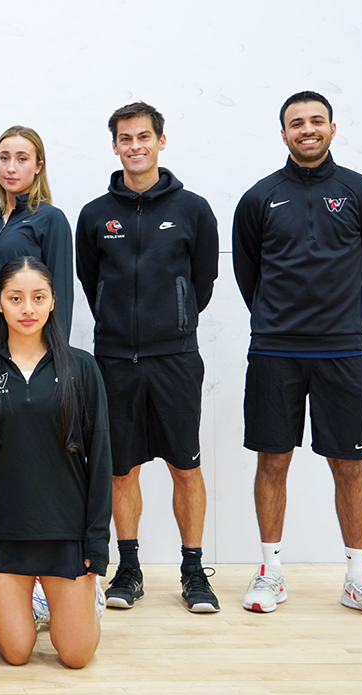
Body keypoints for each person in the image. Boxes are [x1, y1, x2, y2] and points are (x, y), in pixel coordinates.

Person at [232, 91, 362, 620]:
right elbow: (247, 274)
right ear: (282, 134)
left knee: (348, 464)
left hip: (343, 350)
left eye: (315, 121)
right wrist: (277, 321)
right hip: (275, 350)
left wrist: (346, 321)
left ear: (332, 128)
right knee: (273, 460)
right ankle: (271, 573)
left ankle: (357, 577)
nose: (307, 129)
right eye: (295, 123)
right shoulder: (259, 198)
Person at [74, 102, 220, 613]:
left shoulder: (193, 209)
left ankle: (194, 571)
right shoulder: (95, 215)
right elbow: (92, 284)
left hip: (176, 357)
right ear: (114, 146)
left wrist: (173, 320)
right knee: (121, 471)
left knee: (185, 466)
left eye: (144, 136)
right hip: (114, 360)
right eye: (125, 138)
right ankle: (128, 569)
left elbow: (202, 282)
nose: (135, 146)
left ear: (161, 140)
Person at [0, 256, 111, 668]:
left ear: (52, 303)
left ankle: (82, 598)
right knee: (16, 653)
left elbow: (100, 460)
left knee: (77, 656)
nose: (27, 309)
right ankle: (40, 603)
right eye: (16, 298)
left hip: (65, 533)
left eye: (37, 297)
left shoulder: (82, 367)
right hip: (1, 532)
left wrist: (95, 545)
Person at [0, 126, 74, 345]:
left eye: (22, 159)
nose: (11, 168)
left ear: (38, 166)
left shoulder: (51, 219)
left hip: (34, 355)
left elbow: (61, 300)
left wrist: (56, 363)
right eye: (4, 158)